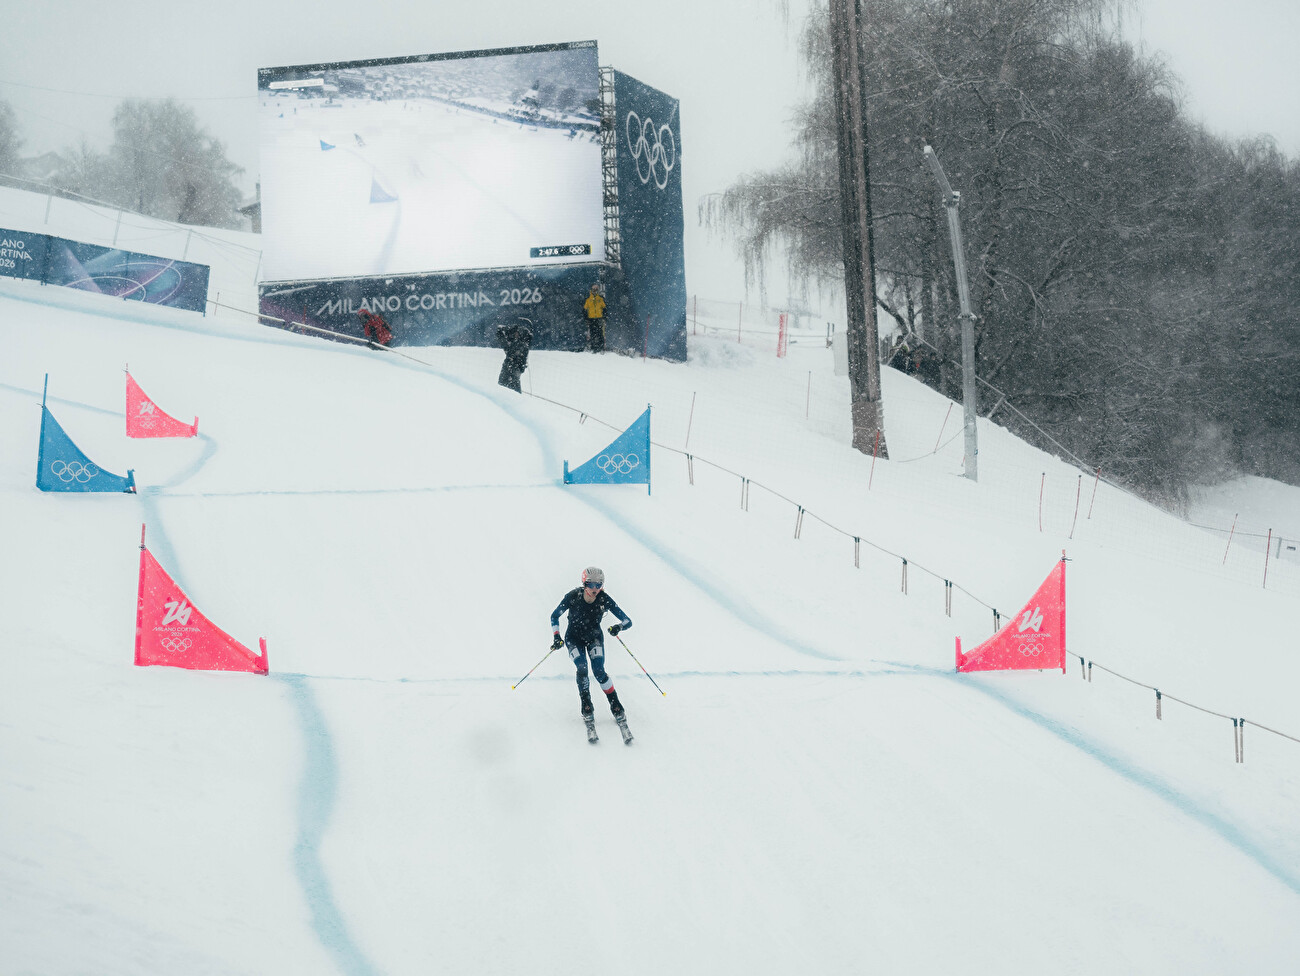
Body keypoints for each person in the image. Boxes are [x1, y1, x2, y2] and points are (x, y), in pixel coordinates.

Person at [550, 566, 632, 730]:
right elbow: (554, 615)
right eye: (591, 585)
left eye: (598, 585)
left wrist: (618, 627)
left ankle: (614, 702)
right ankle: (586, 703)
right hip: (573, 638)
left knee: (599, 671)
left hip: (594, 637)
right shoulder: (573, 596)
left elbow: (627, 621)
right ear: (584, 583)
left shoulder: (604, 599)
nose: (594, 589)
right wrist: (557, 636)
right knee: (582, 667)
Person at [496, 318, 533, 392]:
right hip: (513, 366)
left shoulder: (521, 345)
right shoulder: (522, 343)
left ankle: (516, 400)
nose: (514, 334)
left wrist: (501, 335)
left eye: (516, 333)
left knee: (509, 385)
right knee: (509, 384)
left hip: (514, 367)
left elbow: (508, 348)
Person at [583, 283, 606, 352]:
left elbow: (604, 308)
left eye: (596, 289)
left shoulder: (600, 299)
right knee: (593, 333)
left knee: (600, 333)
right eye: (594, 289)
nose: (595, 290)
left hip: (599, 318)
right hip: (591, 319)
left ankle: (601, 347)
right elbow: (584, 310)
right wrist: (586, 318)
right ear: (591, 290)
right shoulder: (588, 299)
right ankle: (593, 347)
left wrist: (604, 317)